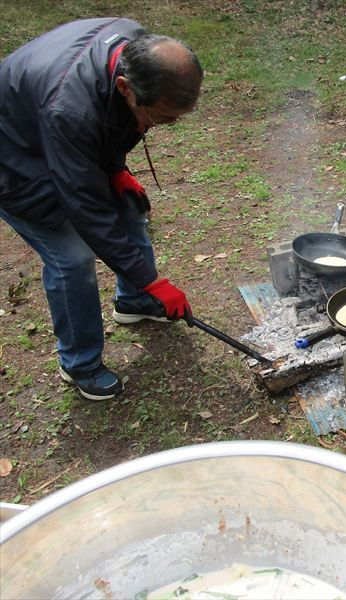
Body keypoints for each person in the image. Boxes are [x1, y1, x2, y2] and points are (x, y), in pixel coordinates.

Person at [0, 18, 202, 401]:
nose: (166, 125)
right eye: (161, 117)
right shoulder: (69, 110)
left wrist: (114, 169)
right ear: (127, 87)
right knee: (71, 258)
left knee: (128, 206)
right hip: (14, 157)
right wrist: (152, 278)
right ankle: (79, 363)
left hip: (54, 135)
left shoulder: (134, 45)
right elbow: (85, 208)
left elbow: (110, 120)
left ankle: (133, 302)